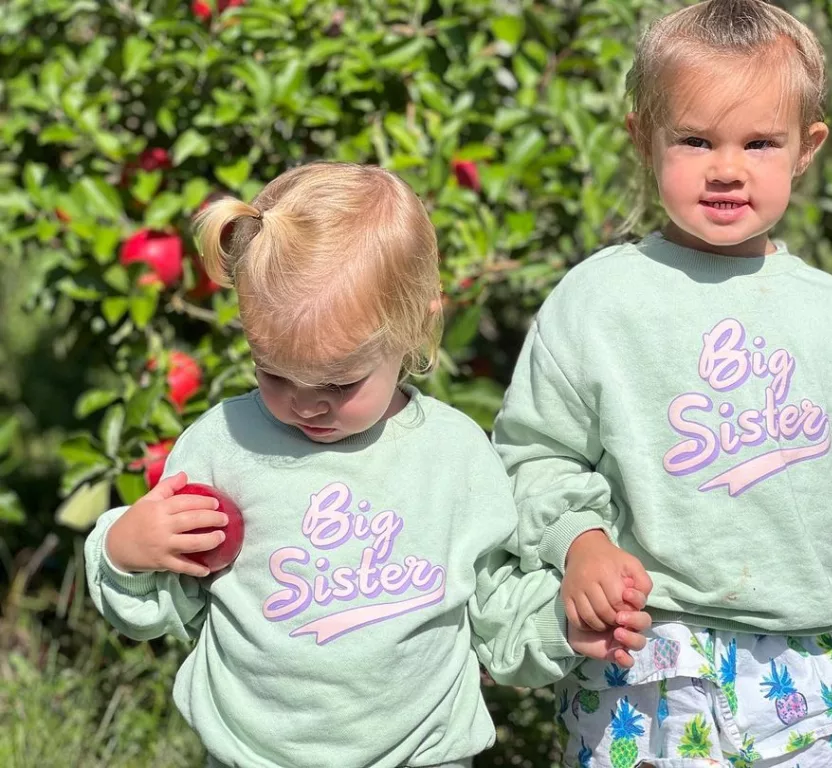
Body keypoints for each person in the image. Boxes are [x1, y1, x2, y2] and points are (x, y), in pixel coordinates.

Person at [84, 162, 650, 768]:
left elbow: (494, 610)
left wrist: (560, 626)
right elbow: (160, 608)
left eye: (339, 381)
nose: (304, 402)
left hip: (423, 754)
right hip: (255, 754)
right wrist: (123, 552)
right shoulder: (224, 448)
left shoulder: (453, 459)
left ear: (417, 329)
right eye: (273, 372)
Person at [492, 2, 832, 765]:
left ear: (806, 148)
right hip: (652, 662)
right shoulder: (599, 301)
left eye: (761, 142)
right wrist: (580, 541)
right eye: (695, 140)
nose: (727, 166)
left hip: (810, 658)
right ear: (642, 138)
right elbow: (533, 452)